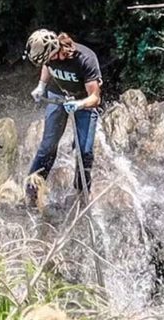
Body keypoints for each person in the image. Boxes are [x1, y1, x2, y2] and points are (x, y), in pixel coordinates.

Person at [24, 29, 102, 207]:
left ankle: (82, 192)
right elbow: (47, 65)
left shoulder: (85, 59)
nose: (47, 62)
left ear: (56, 51)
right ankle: (32, 191)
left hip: (84, 101)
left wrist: (79, 105)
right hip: (58, 96)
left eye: (49, 58)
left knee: (84, 151)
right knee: (47, 145)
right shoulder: (49, 59)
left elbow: (95, 98)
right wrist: (41, 85)